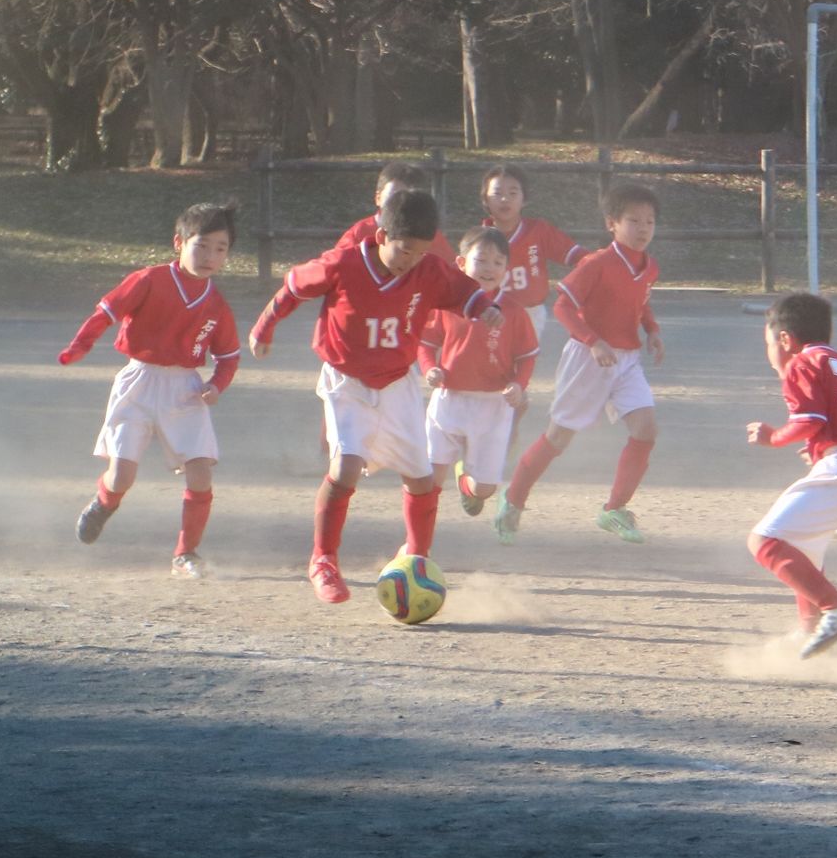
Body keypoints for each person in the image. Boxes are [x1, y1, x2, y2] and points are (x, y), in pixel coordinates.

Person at [249, 188, 500, 604]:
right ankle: (323, 560)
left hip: (398, 383)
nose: (411, 261)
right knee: (346, 465)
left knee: (421, 479)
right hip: (346, 381)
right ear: (382, 235)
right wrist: (264, 326)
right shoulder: (343, 264)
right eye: (404, 251)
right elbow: (293, 287)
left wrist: (484, 308)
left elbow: (465, 292)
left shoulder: (428, 271)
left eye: (419, 253)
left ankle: (417, 557)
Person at [59, 201, 242, 578]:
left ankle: (185, 554)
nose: (210, 256)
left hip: (185, 389)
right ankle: (104, 502)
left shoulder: (217, 305)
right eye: (202, 245)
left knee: (201, 473)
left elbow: (229, 356)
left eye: (220, 248)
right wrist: (80, 345)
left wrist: (216, 385)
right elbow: (106, 312)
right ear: (179, 242)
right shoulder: (150, 279)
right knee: (122, 475)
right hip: (139, 382)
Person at [497, 181, 666, 546]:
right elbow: (562, 306)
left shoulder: (649, 267)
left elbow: (641, 301)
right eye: (633, 221)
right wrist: (593, 342)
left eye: (649, 222)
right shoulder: (597, 263)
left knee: (646, 430)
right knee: (558, 438)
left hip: (626, 360)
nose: (642, 229)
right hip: (588, 360)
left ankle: (614, 509)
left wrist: (652, 330)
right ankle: (512, 500)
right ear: (612, 224)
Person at [744, 292, 837, 658]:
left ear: (785, 340)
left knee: (764, 541)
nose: (769, 355)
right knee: (802, 546)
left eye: (768, 344)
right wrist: (821, 449)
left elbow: (810, 420)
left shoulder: (802, 362)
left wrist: (773, 438)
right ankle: (809, 628)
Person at [420, 228, 540, 518]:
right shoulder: (447, 303)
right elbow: (426, 342)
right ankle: (419, 540)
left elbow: (527, 357)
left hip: (493, 405)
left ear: (506, 270)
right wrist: (429, 369)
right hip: (450, 398)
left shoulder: (513, 310)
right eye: (482, 260)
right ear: (461, 264)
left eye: (498, 262)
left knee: (485, 489)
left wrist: (518, 384)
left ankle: (466, 482)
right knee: (429, 479)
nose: (489, 268)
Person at [474, 163, 585, 463]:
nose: (505, 199)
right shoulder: (478, 240)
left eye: (513, 192)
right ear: (486, 199)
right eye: (497, 193)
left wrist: (602, 270)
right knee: (491, 382)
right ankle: (483, 439)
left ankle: (503, 435)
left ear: (525, 199)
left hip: (527, 315)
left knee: (513, 381)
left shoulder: (538, 232)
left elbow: (576, 256)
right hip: (488, 316)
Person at [335, 161, 456, 264]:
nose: (402, 204)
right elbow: (335, 271)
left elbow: (451, 274)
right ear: (378, 198)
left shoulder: (429, 237)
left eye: (410, 198)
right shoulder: (359, 234)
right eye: (394, 196)